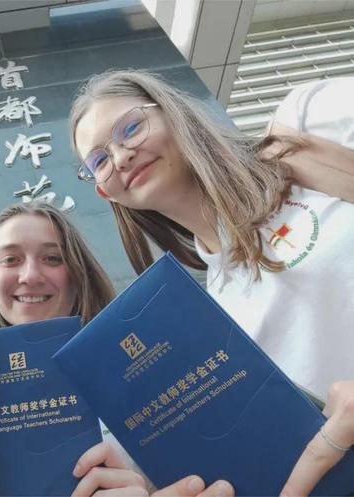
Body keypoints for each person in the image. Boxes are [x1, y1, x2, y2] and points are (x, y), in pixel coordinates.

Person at [69, 69, 354, 495]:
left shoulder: (307, 125)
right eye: (100, 160)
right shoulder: (216, 321)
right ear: (105, 192)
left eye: (130, 128)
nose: (121, 157)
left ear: (173, 113)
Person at [0, 202, 234, 497]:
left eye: (52, 258)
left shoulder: (139, 375)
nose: (30, 276)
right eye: (11, 259)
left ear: (77, 273)